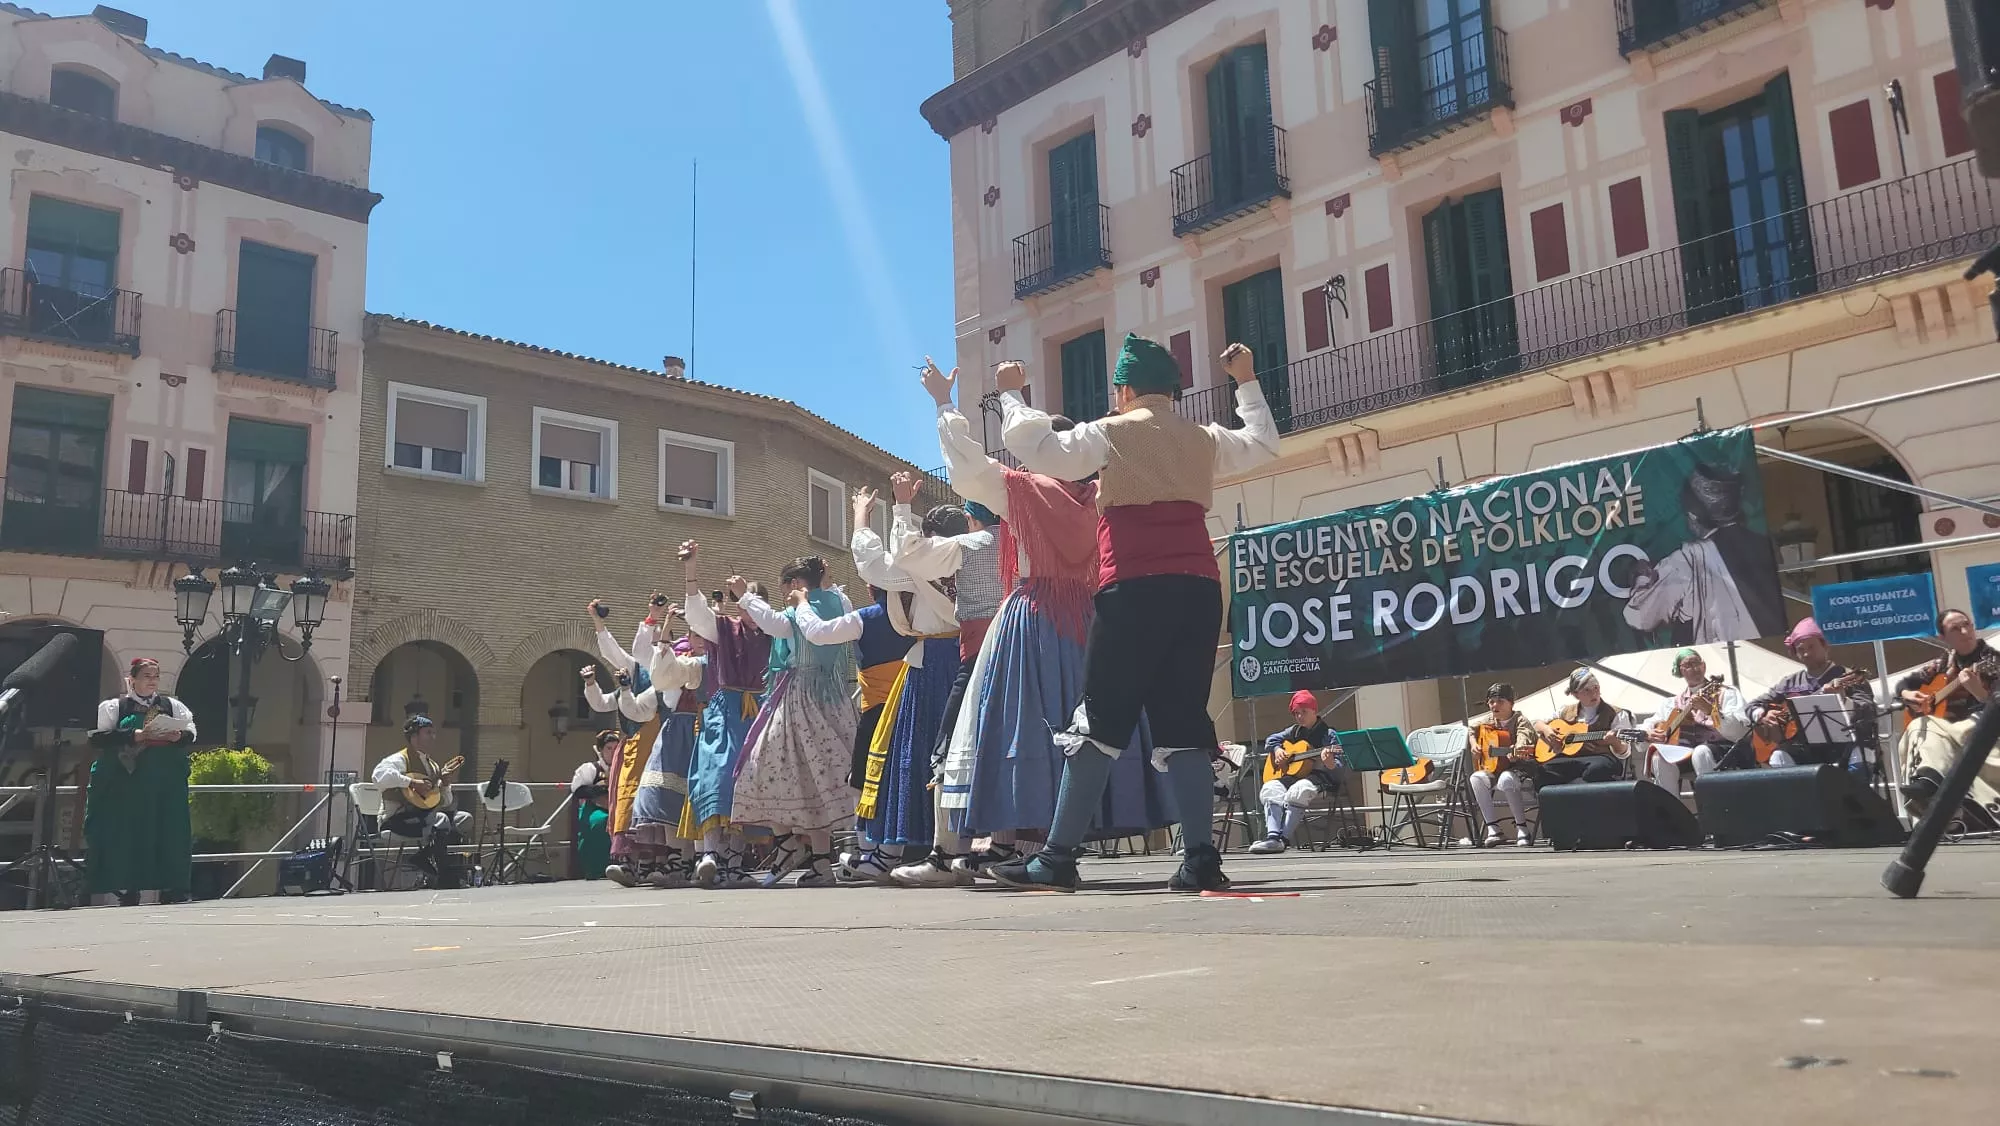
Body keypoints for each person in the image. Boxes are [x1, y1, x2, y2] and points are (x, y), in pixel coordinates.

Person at [985, 336, 1280, 894]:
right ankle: (1200, 860)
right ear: (1172, 391)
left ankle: (1057, 858)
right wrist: (1245, 380)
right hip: (1198, 589)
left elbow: (1041, 450)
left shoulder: (1112, 432)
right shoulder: (1202, 437)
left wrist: (1012, 396)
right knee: (1184, 720)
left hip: (1135, 588)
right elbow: (1263, 444)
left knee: (1100, 720)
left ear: (1123, 391)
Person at [905, 358, 1175, 886]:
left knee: (1022, 723)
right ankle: (1044, 845)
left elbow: (967, 466)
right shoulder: (1107, 494)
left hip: (1033, 618)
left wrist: (943, 403)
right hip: (1094, 620)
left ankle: (1023, 845)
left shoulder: (1022, 491)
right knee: (1083, 725)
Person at [846, 476, 966, 884]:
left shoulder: (920, 563)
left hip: (931, 662)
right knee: (959, 753)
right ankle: (959, 848)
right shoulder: (974, 554)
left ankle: (896, 852)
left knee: (915, 752)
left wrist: (866, 516)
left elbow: (872, 563)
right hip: (967, 656)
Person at [728, 557, 861, 887]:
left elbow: (773, 624)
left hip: (800, 698)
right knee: (817, 779)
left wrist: (745, 595)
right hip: (833, 698)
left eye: (784, 586)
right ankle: (820, 862)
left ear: (795, 585)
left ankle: (789, 845)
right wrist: (825, 579)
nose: (783, 593)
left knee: (761, 767)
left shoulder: (799, 612)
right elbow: (829, 599)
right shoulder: (838, 602)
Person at [679, 541, 773, 887]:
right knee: (716, 775)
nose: (747, 606)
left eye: (754, 600)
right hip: (725, 712)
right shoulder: (724, 629)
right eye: (743, 599)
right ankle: (711, 855)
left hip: (758, 714)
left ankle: (733, 864)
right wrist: (691, 570)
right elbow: (696, 615)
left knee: (746, 785)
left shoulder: (775, 632)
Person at [1622, 463, 1787, 645]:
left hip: (1722, 654)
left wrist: (1642, 577)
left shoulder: (1689, 559)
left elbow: (1640, 617)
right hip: (1770, 648)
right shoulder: (1765, 545)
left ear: (1693, 515)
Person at [85, 657, 197, 905]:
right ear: (132, 679)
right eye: (147, 676)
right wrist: (134, 735)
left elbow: (191, 733)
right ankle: (128, 888)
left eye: (156, 677)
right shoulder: (116, 707)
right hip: (128, 782)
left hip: (165, 783)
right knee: (129, 832)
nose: (152, 681)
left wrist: (178, 736)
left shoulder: (171, 706)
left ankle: (173, 887)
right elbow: (98, 737)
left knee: (170, 831)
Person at [625, 624, 707, 887]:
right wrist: (656, 623)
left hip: (707, 728)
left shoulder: (717, 662)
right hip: (676, 734)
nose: (701, 640)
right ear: (689, 638)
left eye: (704, 634)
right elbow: (643, 656)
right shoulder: (679, 665)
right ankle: (677, 857)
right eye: (696, 635)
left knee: (700, 797)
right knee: (665, 794)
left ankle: (699, 856)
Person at [1896, 608, 1998, 815]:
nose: (1964, 632)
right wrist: (1907, 694)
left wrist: (1980, 693)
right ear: (1943, 637)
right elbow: (1904, 683)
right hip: (1948, 731)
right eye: (1955, 629)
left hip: (1984, 729)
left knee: (1928, 727)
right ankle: (1928, 783)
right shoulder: (1943, 663)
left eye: (1967, 625)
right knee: (1919, 724)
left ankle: (1930, 782)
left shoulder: (1993, 661)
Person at [1746, 618, 1878, 773]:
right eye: (1801, 649)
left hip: (1847, 745)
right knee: (1779, 756)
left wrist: (1843, 700)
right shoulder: (1790, 682)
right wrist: (1763, 715)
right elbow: (1752, 705)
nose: (1807, 653)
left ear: (1825, 646)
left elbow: (1869, 710)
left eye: (1811, 647)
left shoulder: (1847, 676)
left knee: (1861, 753)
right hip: (1805, 748)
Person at [371, 716, 472, 889]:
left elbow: (445, 802)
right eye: (428, 733)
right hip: (397, 820)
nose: (433, 737)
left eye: (434, 733)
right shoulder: (400, 759)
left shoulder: (433, 766)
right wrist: (411, 782)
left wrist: (445, 784)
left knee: (464, 819)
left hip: (424, 818)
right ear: (414, 736)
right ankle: (445, 876)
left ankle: (426, 859)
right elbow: (378, 776)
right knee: (442, 821)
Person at [1248, 690, 1347, 855]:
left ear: (1314, 710)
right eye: (1296, 713)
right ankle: (1272, 836)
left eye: (1304, 712)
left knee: (1299, 790)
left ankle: (1283, 840)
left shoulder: (1329, 735)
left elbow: (1339, 767)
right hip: (1296, 775)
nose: (1300, 717)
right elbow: (1271, 739)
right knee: (1270, 787)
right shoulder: (1294, 731)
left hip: (1321, 778)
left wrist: (1329, 763)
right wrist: (1278, 750)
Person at [1645, 649, 1749, 795]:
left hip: (1723, 750)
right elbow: (1650, 723)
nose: (1694, 668)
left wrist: (1711, 711)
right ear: (1681, 670)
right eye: (1688, 665)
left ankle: (1712, 804)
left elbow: (1740, 731)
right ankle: (1670, 808)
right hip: (1687, 753)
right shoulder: (1672, 703)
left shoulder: (1726, 693)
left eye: (1697, 663)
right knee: (1659, 758)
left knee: (1700, 752)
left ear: (1704, 666)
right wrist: (1648, 733)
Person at [1463, 682, 1539, 847]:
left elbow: (1524, 738)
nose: (1494, 705)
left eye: (1500, 701)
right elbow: (1471, 729)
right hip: (1494, 768)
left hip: (1520, 767)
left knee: (1506, 779)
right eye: (1491, 702)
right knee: (1476, 778)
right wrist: (1474, 744)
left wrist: (1516, 750)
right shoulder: (1488, 720)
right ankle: (1493, 829)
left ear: (1511, 703)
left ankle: (1522, 828)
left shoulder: (1520, 721)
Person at [1535, 670, 1636, 788]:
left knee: (1596, 770)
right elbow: (1537, 724)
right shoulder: (1565, 711)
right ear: (1575, 694)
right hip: (1570, 759)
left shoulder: (1616, 713)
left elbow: (1624, 752)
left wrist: (1615, 742)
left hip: (1601, 758)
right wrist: (1546, 730)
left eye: (1596, 687)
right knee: (1543, 772)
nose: (1594, 693)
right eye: (1587, 690)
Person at [569, 730, 617, 880]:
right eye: (609, 748)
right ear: (601, 750)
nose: (613, 752)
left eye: (616, 748)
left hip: (618, 808)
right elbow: (578, 791)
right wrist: (603, 788)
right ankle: (596, 868)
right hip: (595, 808)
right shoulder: (591, 768)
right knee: (601, 822)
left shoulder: (624, 769)